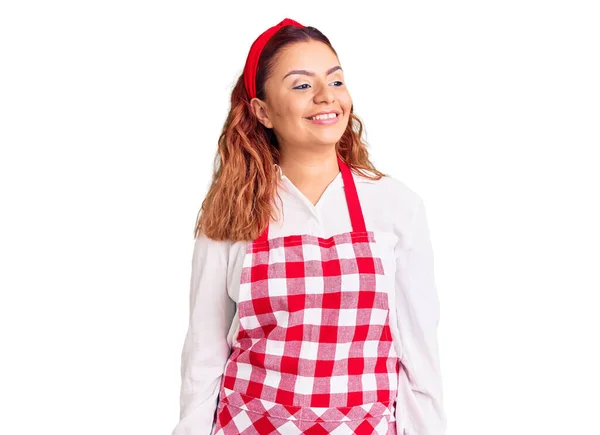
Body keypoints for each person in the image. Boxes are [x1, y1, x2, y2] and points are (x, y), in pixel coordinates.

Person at [171, 18, 447, 435]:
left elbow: (418, 355)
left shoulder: (395, 206)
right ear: (261, 111)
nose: (326, 98)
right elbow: (203, 356)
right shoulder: (233, 211)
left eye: (335, 82)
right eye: (302, 86)